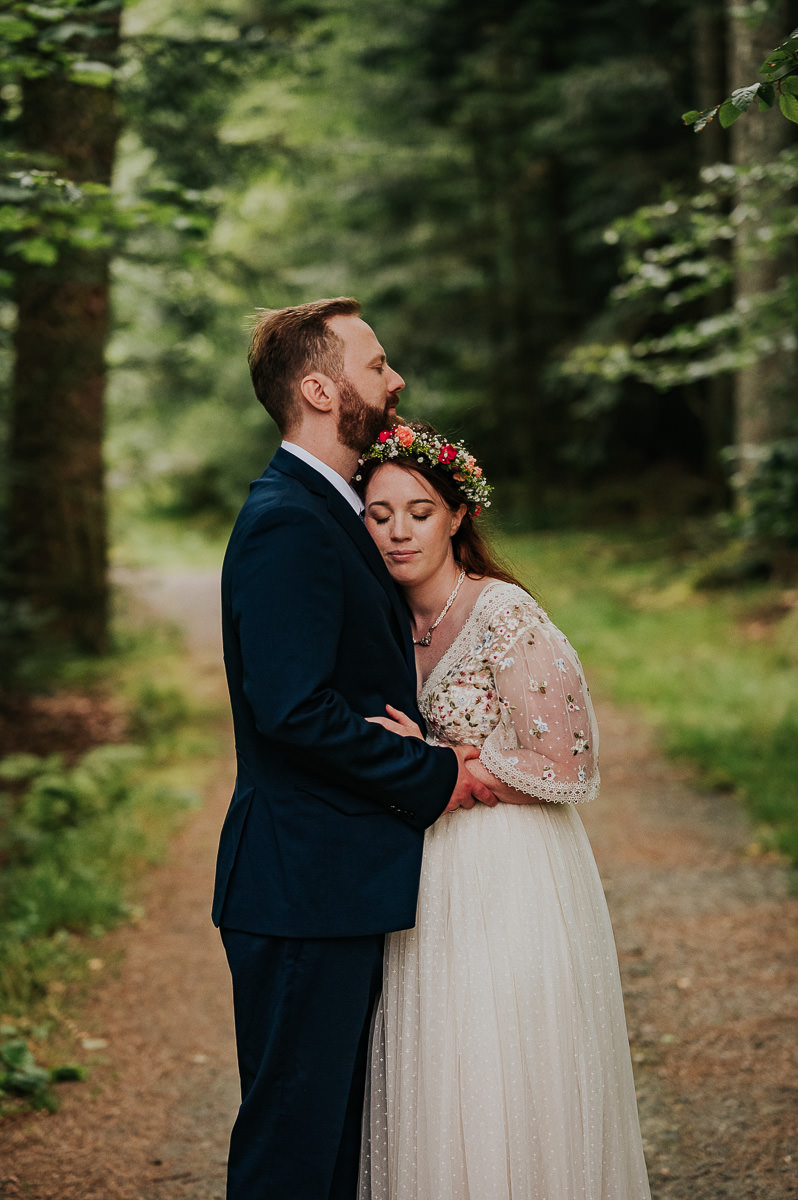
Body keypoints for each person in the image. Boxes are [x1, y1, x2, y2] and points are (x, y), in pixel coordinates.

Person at [211, 299, 496, 1200]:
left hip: (330, 880)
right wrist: (435, 772)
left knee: (335, 1146)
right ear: (321, 388)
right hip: (301, 885)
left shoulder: (335, 510)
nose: (395, 378)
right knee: (294, 1151)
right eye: (377, 365)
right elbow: (293, 710)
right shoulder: (288, 520)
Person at [354, 423, 652, 1200]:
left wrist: (445, 763)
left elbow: (570, 764)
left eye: (418, 511)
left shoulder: (505, 614)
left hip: (511, 865)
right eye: (378, 513)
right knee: (437, 1061)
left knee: (503, 1057)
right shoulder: (380, 621)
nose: (397, 531)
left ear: (457, 515)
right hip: (423, 871)